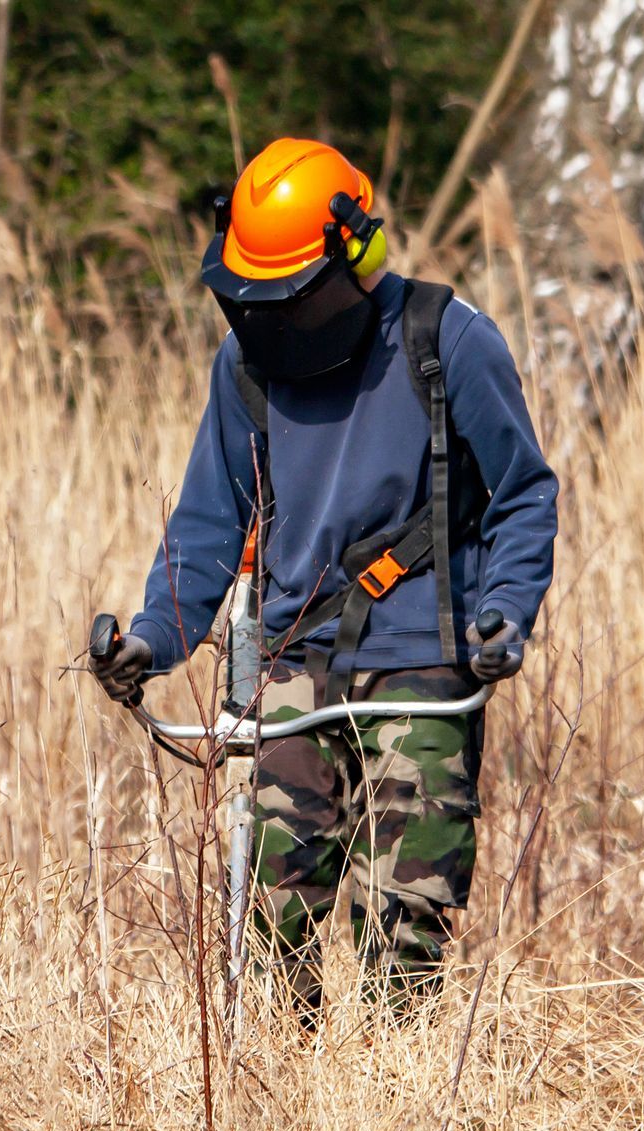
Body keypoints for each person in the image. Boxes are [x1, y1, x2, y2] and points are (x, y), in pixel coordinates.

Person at [92, 137, 559, 1010]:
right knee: (269, 926)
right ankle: (278, 1117)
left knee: (406, 931)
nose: (276, 321)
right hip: (288, 665)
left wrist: (504, 613)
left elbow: (523, 494)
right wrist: (152, 641)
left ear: (358, 256)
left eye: (292, 301)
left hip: (423, 663)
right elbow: (205, 527)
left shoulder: (447, 341)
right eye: (258, 302)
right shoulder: (244, 370)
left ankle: (395, 1117)